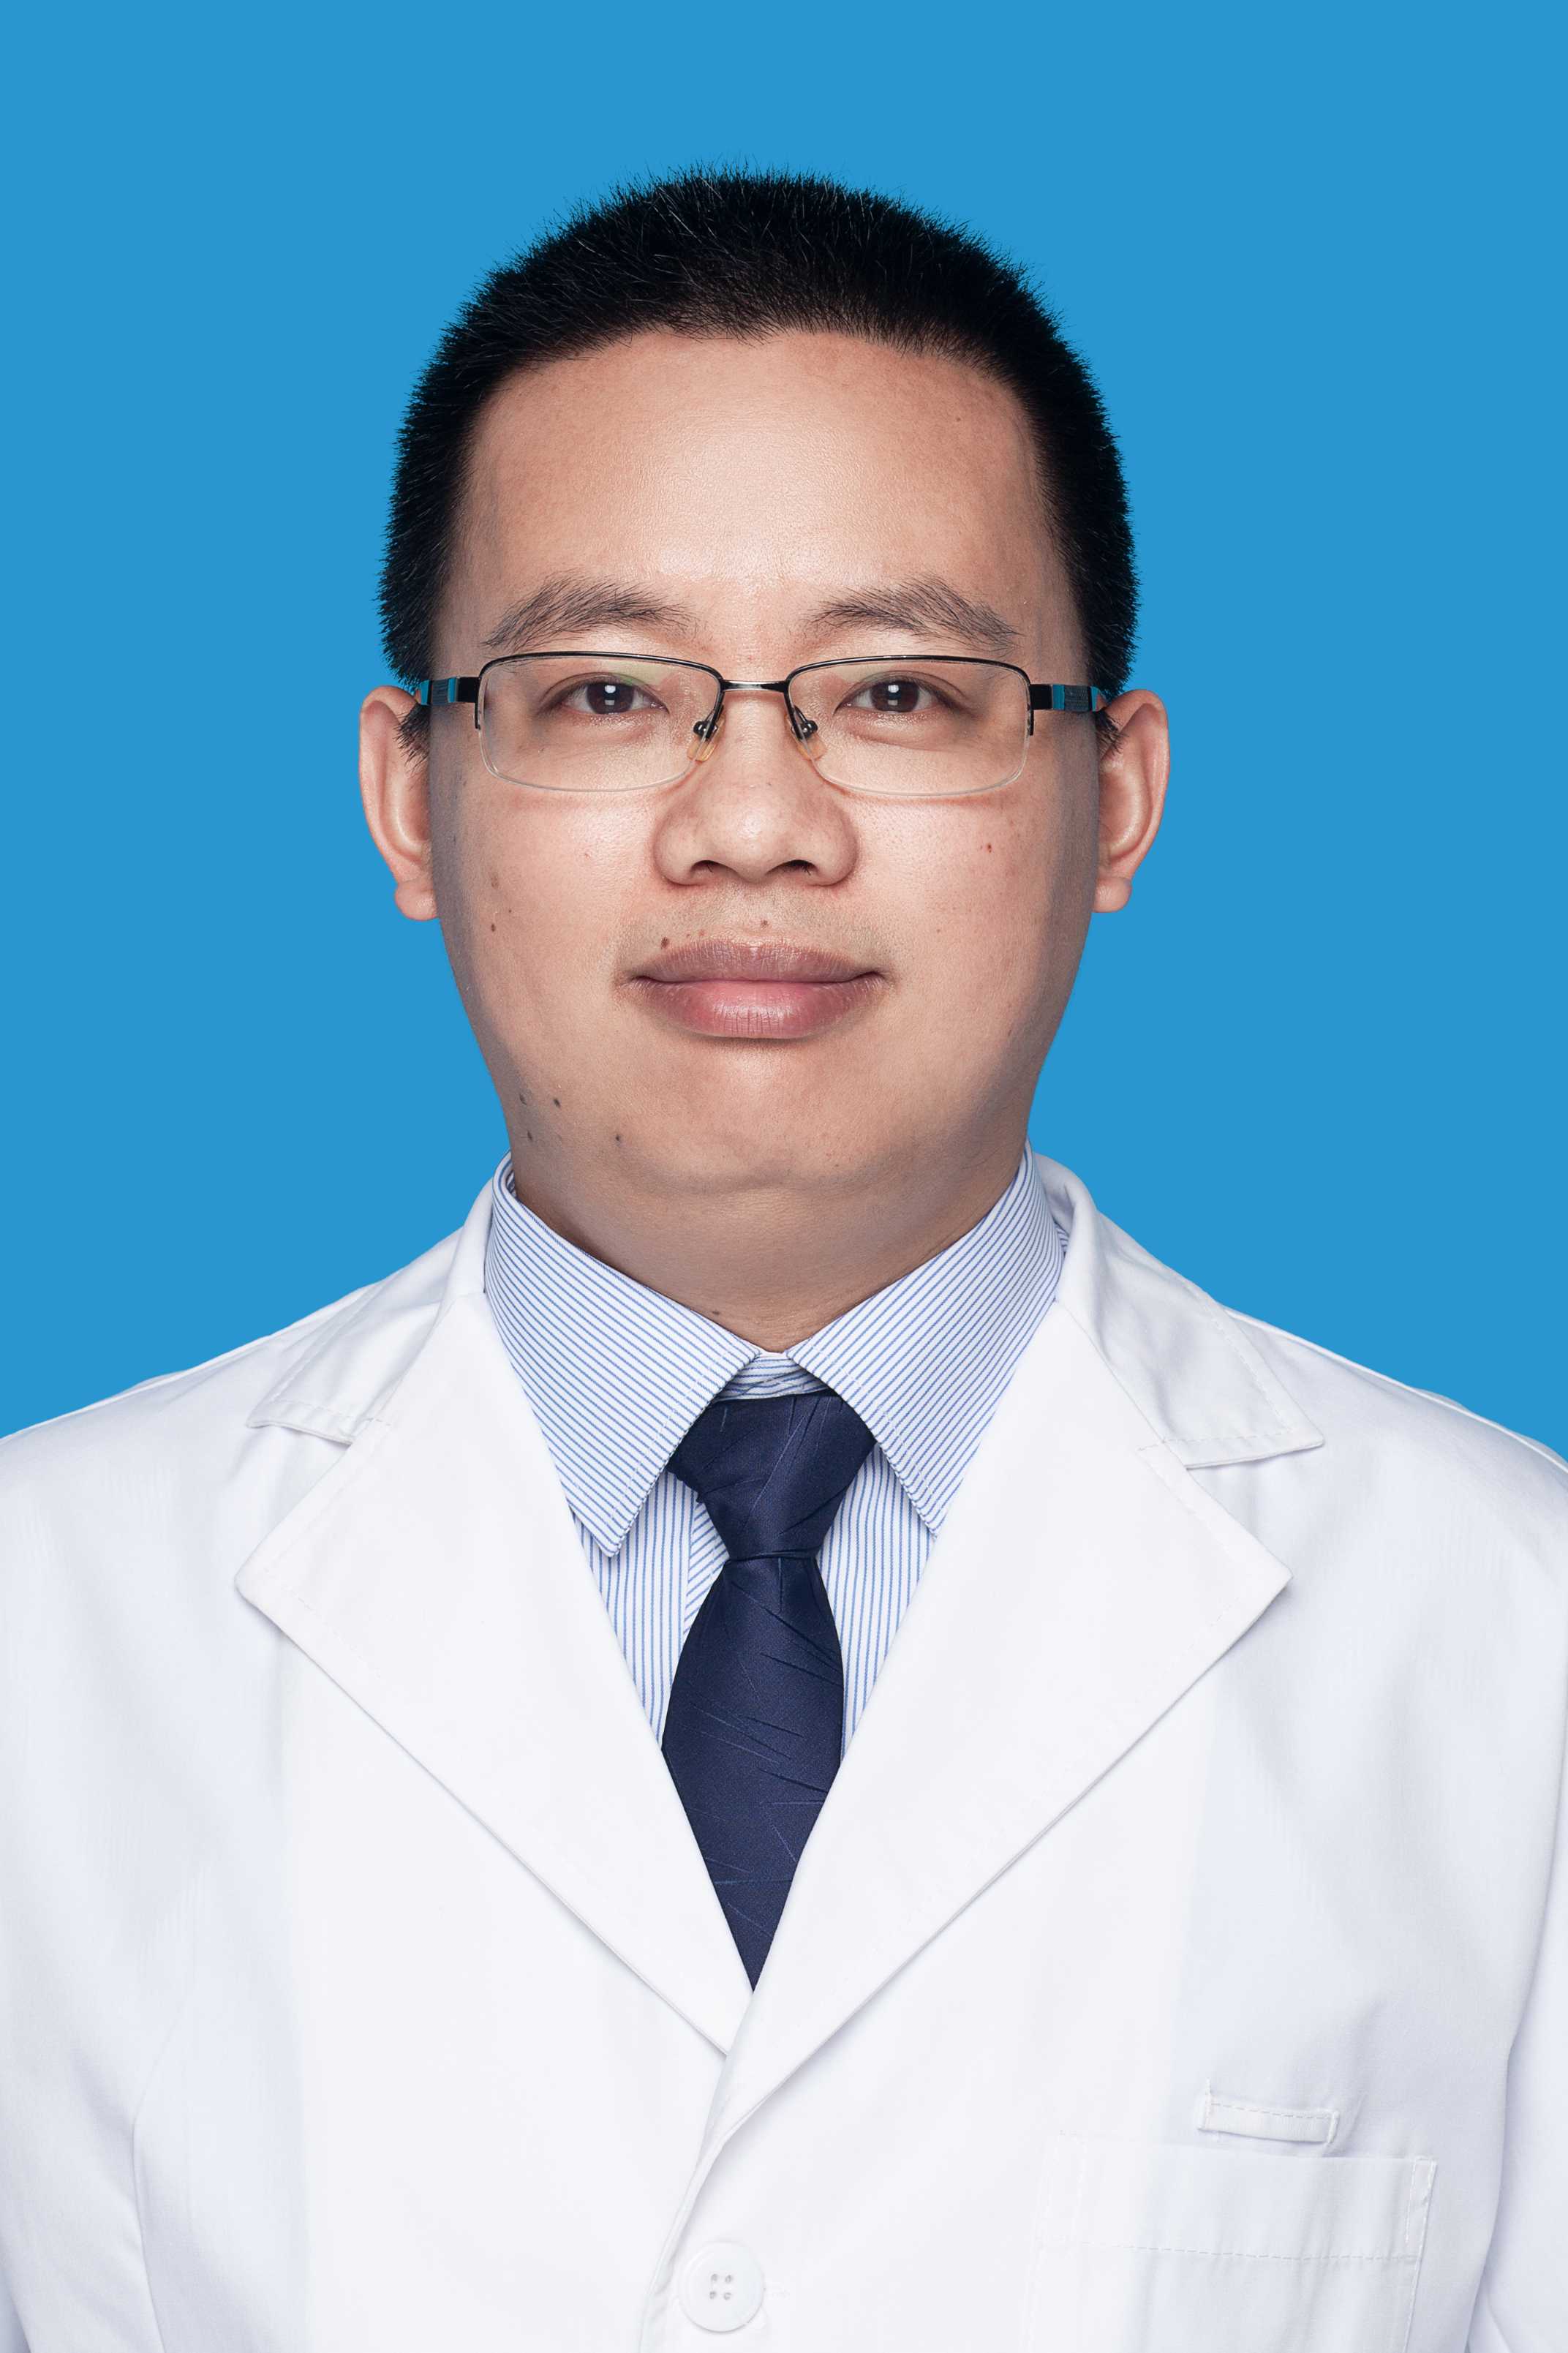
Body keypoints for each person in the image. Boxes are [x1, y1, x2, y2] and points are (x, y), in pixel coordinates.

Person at [0, 167, 1561, 2353]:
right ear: (411, 795)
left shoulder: (1510, 1638)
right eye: (606, 693)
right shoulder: (44, 1625)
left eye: (899, 691)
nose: (751, 823)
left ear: (1115, 795)